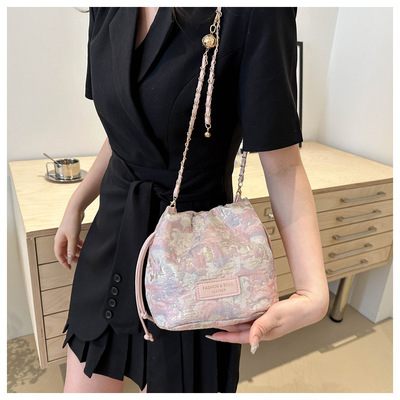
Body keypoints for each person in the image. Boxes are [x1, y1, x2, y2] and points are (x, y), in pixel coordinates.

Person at [55, 7, 329, 393]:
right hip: (113, 237)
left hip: (195, 258)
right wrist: (78, 200)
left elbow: (283, 167)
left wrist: (313, 291)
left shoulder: (254, 13)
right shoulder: (107, 8)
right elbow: (126, 126)